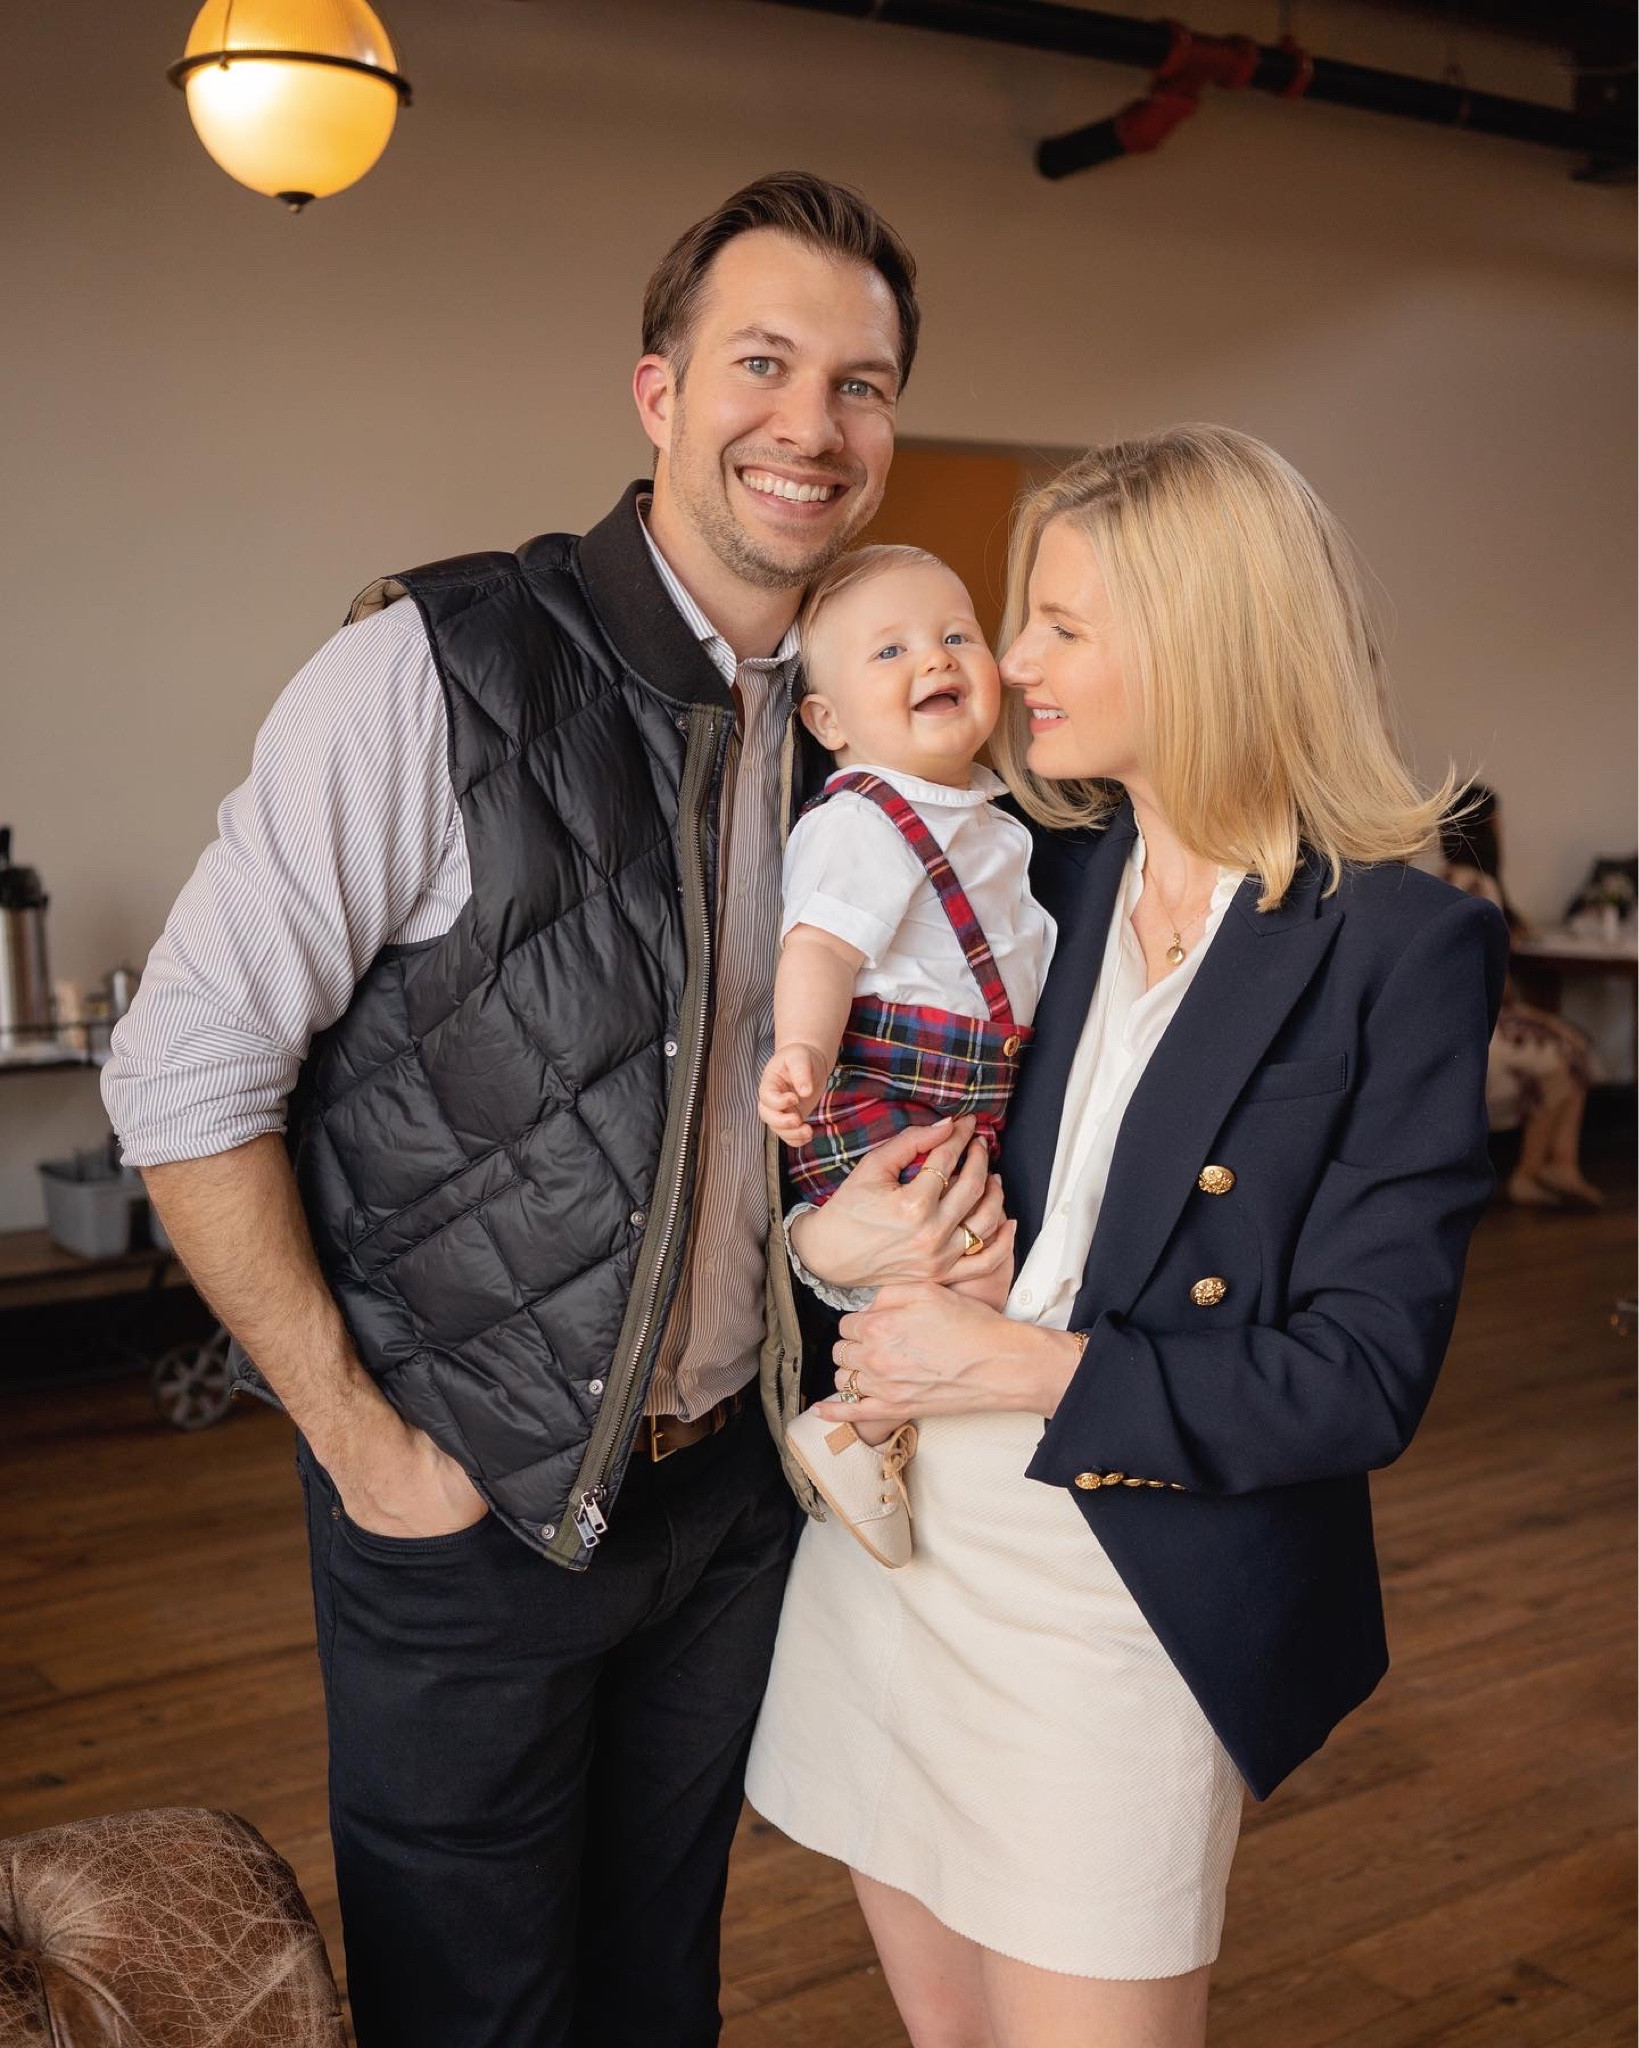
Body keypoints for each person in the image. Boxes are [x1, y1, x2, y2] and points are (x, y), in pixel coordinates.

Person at [100, 173, 1000, 2048]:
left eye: (862, 381)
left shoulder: (851, 731)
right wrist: (360, 1443)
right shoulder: (428, 667)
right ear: (656, 393)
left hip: (728, 1504)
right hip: (466, 1508)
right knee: (475, 2015)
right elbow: (180, 1073)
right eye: (761, 363)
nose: (811, 424)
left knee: (657, 1986)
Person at [746, 425, 1508, 2048]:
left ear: (1207, 641)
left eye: (1059, 625)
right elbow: (873, 1193)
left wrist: (1012, 1357)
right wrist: (840, 1251)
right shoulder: (1050, 878)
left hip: (1116, 1595)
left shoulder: (1396, 941)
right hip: (898, 1552)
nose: (1007, 662)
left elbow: (1357, 1377)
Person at [757, 544, 1056, 1562]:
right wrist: (799, 1047)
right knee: (969, 1262)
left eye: (955, 634)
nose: (932, 656)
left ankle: (888, 1419)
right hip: (884, 1087)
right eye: (888, 649)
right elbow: (820, 948)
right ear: (828, 721)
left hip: (962, 1087)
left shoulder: (990, 821)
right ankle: (855, 1424)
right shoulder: (859, 817)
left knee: (973, 1262)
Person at [1439, 783, 1604, 1209]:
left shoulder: (1442, 879)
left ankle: (1558, 1167)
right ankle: (1534, 1172)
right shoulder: (1480, 885)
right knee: (1572, 1051)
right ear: (1489, 826)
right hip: (1478, 1028)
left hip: (1450, 1023)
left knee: (1572, 1043)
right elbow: (1493, 981)